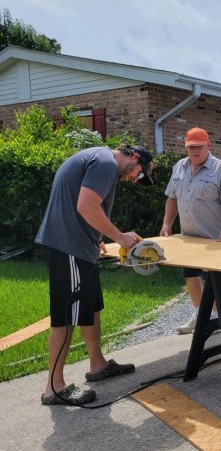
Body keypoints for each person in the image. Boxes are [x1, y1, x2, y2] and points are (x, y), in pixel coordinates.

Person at [36, 143, 155, 406]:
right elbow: (86, 206)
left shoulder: (97, 158)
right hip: (68, 247)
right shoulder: (105, 163)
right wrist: (120, 237)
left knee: (91, 307)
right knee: (65, 316)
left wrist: (96, 238)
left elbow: (81, 206)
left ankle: (97, 364)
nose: (134, 180)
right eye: (139, 173)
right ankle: (54, 388)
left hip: (78, 245)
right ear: (134, 157)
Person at [160, 127, 221, 333]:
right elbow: (172, 198)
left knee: (216, 282)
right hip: (188, 237)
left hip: (215, 239)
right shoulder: (179, 167)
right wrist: (167, 224)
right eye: (191, 147)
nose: (194, 151)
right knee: (191, 275)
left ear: (208, 145)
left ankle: (218, 316)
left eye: (199, 147)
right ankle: (200, 314)